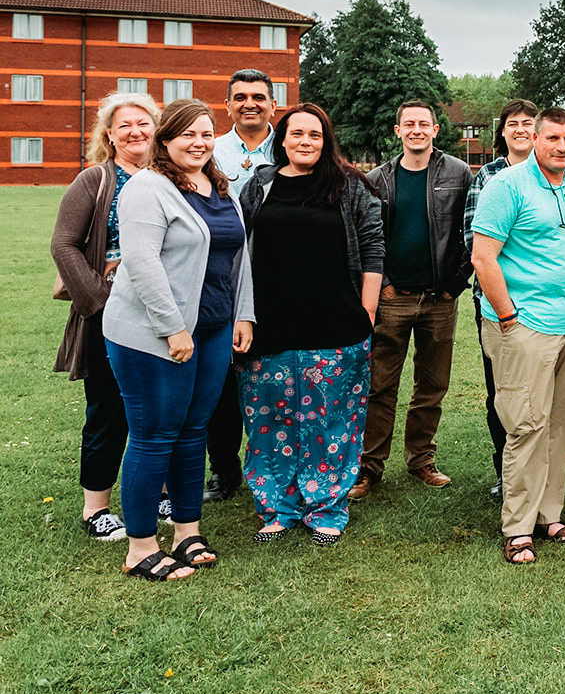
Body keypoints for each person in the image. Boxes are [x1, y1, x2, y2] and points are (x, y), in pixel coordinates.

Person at [100, 98, 254, 580]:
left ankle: (187, 531)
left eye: (206, 134)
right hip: (151, 335)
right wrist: (173, 329)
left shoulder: (221, 189)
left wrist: (241, 316)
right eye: (187, 134)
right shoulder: (148, 188)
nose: (199, 143)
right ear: (165, 140)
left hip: (210, 330)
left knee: (192, 433)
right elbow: (141, 263)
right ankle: (141, 546)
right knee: (153, 435)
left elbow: (239, 258)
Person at [236, 104, 383, 545]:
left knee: (332, 421)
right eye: (297, 133)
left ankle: (326, 509)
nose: (305, 141)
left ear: (326, 141)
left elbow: (374, 248)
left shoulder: (350, 186)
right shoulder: (258, 187)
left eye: (315, 135)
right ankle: (277, 508)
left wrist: (367, 313)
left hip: (336, 325)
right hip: (269, 327)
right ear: (281, 138)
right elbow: (238, 253)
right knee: (268, 422)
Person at [472, 107, 565, 565]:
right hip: (526, 326)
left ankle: (551, 516)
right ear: (536, 138)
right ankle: (518, 527)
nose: (562, 147)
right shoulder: (505, 186)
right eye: (554, 139)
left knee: (562, 427)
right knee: (526, 425)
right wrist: (507, 318)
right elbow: (484, 257)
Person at [51, 91, 160, 541]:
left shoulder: (171, 178)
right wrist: (99, 302)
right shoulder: (94, 180)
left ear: (157, 129)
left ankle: (163, 492)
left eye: (144, 123)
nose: (135, 132)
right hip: (108, 313)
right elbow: (64, 245)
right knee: (108, 410)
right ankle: (96, 507)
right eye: (125, 125)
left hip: (163, 312)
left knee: (162, 408)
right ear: (110, 135)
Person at [351, 100, 473, 499]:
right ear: (397, 130)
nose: (417, 129)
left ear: (436, 130)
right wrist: (383, 284)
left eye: (424, 123)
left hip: (440, 297)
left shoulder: (458, 173)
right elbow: (366, 237)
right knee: (379, 385)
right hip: (393, 297)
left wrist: (456, 283)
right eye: (410, 124)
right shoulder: (377, 179)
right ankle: (369, 466)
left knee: (432, 385)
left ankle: (421, 459)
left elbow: (469, 232)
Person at [203, 67, 279, 503]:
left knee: (271, 378)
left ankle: (272, 465)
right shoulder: (211, 150)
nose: (250, 103)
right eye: (241, 97)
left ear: (273, 104)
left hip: (276, 276)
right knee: (223, 380)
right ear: (227, 105)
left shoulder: (287, 145)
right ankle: (225, 469)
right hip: (223, 275)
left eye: (258, 96)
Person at [463, 98, 541, 500]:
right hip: (497, 304)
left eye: (529, 122)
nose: (521, 129)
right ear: (503, 132)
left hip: (547, 305)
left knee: (542, 393)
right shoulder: (489, 177)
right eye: (513, 123)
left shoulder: (553, 175)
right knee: (503, 390)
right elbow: (472, 240)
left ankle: (540, 475)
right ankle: (505, 472)